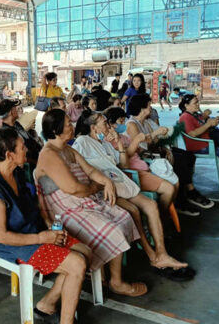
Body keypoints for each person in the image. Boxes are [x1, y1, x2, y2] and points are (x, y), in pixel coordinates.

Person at [0, 127, 91, 324]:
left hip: (33, 232)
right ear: (9, 155)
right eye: (22, 148)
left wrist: (48, 226)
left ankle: (47, 304)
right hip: (13, 246)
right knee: (76, 264)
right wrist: (42, 238)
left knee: (84, 252)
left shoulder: (15, 172)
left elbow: (31, 205)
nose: (26, 150)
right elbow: (1, 236)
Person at [35, 109, 147, 297]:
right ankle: (116, 282)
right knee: (114, 229)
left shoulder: (66, 148)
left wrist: (106, 182)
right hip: (64, 209)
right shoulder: (49, 154)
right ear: (56, 130)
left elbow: (90, 170)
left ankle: (109, 276)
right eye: (67, 123)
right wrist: (97, 187)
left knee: (124, 216)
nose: (72, 125)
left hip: (81, 201)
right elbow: (74, 189)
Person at [73, 111, 193, 279]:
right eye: (104, 122)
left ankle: (161, 252)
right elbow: (79, 169)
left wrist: (119, 144)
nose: (108, 125)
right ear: (93, 127)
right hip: (102, 190)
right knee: (133, 211)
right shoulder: (82, 142)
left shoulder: (104, 142)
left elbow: (122, 164)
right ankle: (153, 255)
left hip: (119, 184)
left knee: (151, 206)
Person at [0, 99, 42, 170]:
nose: (17, 110)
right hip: (30, 165)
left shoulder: (16, 124)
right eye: (15, 108)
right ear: (11, 112)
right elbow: (18, 156)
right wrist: (37, 163)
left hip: (38, 157)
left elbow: (29, 139)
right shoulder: (5, 133)